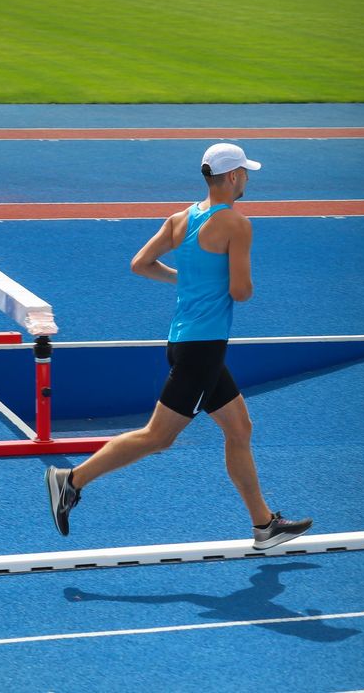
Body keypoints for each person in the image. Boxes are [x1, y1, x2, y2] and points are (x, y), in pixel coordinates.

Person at [45, 143, 312, 550]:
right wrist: (231, 283)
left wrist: (185, 281)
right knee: (157, 436)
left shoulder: (180, 219)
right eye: (246, 173)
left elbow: (140, 264)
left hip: (185, 341)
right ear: (233, 177)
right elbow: (241, 292)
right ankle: (71, 479)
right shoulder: (237, 225)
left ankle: (264, 525)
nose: (248, 179)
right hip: (202, 349)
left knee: (240, 428)